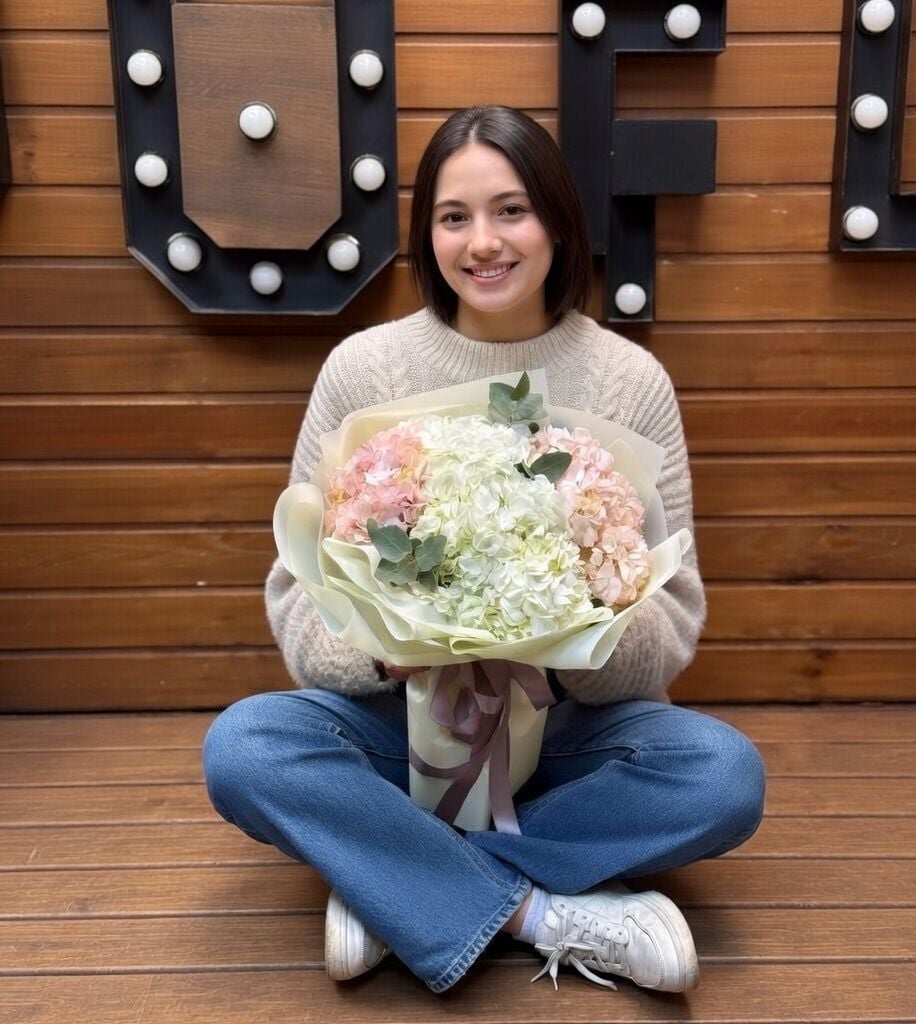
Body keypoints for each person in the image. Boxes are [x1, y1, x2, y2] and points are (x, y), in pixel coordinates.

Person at [203, 105, 765, 995]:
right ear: (427, 237)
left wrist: (571, 623)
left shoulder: (630, 382)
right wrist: (394, 647)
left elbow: (675, 617)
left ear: (557, 219)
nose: (484, 242)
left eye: (511, 210)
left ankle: (398, 876)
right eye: (453, 217)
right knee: (246, 747)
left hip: (569, 731)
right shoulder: (364, 371)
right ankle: (536, 911)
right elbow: (296, 596)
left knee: (724, 776)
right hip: (403, 725)